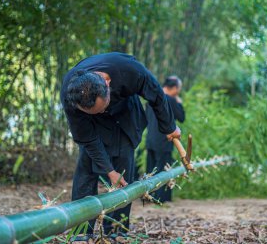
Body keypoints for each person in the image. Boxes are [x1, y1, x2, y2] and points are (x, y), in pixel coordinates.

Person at [60, 52, 181, 241]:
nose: (102, 112)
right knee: (86, 166)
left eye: (101, 108)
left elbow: (156, 95)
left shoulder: (129, 70)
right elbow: (87, 139)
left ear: (107, 82)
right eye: (95, 111)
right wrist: (108, 171)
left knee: (124, 166)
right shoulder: (71, 94)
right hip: (91, 126)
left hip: (125, 114)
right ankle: (82, 231)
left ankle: (117, 228)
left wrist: (169, 126)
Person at [146, 76, 185, 203]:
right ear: (174, 88)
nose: (178, 92)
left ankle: (149, 197)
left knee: (151, 170)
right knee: (164, 169)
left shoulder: (151, 99)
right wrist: (179, 102)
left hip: (151, 139)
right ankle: (161, 199)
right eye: (178, 89)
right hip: (164, 141)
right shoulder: (171, 100)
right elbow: (181, 117)